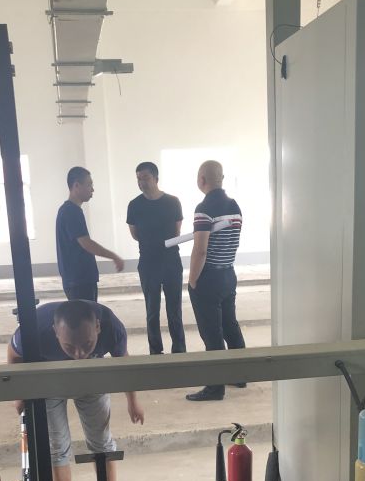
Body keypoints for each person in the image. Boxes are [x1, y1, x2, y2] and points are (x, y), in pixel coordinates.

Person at [7, 299, 144, 481]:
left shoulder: (112, 326)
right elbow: (14, 355)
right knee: (57, 446)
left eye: (87, 344)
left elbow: (124, 364)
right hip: (48, 380)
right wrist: (19, 394)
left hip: (92, 376)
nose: (79, 353)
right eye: (70, 347)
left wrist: (133, 401)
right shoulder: (34, 329)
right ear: (55, 331)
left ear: (98, 327)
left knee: (102, 440)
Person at [186, 160, 246, 401]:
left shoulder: (204, 208)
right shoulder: (235, 206)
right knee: (230, 325)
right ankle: (241, 375)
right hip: (229, 274)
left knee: (211, 333)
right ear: (222, 178)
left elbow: (200, 250)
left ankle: (215, 387)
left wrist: (192, 280)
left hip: (209, 277)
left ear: (202, 179)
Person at [126, 162, 186, 355]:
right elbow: (135, 234)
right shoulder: (134, 205)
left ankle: (179, 350)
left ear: (156, 178)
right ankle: (155, 351)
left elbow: (176, 231)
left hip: (171, 262)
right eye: (138, 179)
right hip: (148, 263)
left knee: (174, 310)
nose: (141, 182)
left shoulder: (173, 202)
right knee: (152, 311)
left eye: (145, 178)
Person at [56, 167, 124, 301]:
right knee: (85, 314)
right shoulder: (71, 211)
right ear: (76, 186)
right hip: (79, 280)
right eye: (89, 185)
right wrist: (114, 256)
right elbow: (86, 243)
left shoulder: (70, 210)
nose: (92, 189)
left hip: (78, 279)